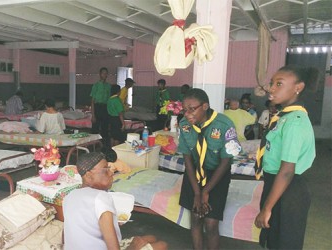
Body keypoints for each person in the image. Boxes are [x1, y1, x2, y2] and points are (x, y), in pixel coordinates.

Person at [254, 65, 318, 249]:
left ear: (298, 87)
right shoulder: (283, 117)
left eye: (279, 84)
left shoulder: (294, 122)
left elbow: (287, 171)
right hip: (277, 186)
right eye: (272, 83)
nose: (271, 88)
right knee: (274, 242)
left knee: (284, 244)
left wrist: (267, 208)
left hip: (288, 190)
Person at [63, 152, 168, 250]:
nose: (111, 173)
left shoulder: (69, 197)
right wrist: (133, 247)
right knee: (162, 245)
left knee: (150, 238)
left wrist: (113, 222)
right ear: (89, 175)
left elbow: (65, 237)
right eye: (105, 170)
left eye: (109, 168)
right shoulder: (101, 197)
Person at [178, 88, 241, 249]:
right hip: (194, 174)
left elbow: (226, 161)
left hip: (217, 175)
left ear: (205, 106)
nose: (187, 114)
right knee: (196, 218)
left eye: (192, 109)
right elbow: (188, 159)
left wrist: (206, 191)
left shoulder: (224, 124)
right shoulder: (184, 125)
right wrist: (197, 192)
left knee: (211, 223)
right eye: (184, 109)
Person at [90, 67, 111, 147]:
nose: (105, 75)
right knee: (95, 128)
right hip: (97, 107)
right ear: (100, 74)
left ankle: (104, 146)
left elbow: (109, 100)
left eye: (106, 73)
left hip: (105, 108)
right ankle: (93, 146)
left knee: (105, 128)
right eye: (103, 73)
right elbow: (92, 102)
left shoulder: (108, 86)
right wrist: (93, 115)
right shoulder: (96, 86)